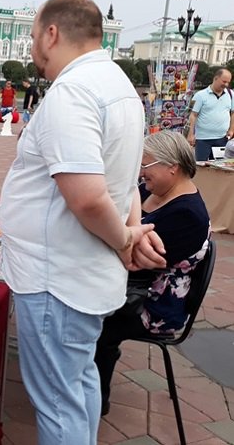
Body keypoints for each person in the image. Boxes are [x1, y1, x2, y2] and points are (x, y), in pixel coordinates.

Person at [0, 0, 166, 445]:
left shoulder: (73, 91)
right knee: (77, 384)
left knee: (57, 403)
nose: (33, 53)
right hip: (78, 274)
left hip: (58, 277)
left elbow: (89, 199)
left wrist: (124, 238)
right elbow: (127, 178)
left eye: (34, 39)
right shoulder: (119, 87)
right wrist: (125, 234)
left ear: (52, 34)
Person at [94, 131, 210, 416]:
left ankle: (96, 399)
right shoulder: (156, 190)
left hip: (154, 304)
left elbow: (136, 260)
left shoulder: (187, 215)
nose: (140, 172)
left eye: (146, 165)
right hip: (138, 285)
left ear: (173, 166)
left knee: (96, 320)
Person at [186, 68, 234, 161]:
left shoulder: (231, 94)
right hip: (202, 139)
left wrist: (231, 130)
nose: (226, 85)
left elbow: (233, 113)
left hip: (222, 138)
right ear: (215, 78)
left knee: (220, 168)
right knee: (200, 166)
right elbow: (192, 115)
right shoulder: (199, 95)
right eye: (224, 81)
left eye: (228, 82)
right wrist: (190, 134)